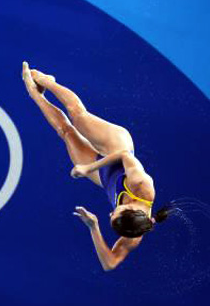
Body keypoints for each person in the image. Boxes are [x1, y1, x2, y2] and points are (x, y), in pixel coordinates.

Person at [22, 62, 177, 271]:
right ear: (130, 207)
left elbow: (109, 264)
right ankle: (48, 82)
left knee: (66, 132)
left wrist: (93, 227)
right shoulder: (143, 185)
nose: (110, 213)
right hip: (118, 147)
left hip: (105, 177)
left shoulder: (133, 236)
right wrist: (87, 169)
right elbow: (123, 156)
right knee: (78, 116)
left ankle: (35, 94)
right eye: (116, 212)